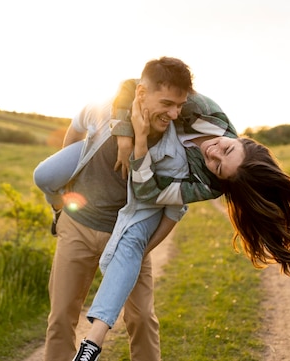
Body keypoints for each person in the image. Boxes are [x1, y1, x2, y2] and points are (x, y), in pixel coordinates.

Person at [33, 56, 193, 361]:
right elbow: (77, 124)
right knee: (60, 318)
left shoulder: (175, 149)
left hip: (128, 239)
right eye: (167, 103)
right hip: (78, 227)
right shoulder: (105, 108)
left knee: (142, 319)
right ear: (142, 93)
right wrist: (69, 174)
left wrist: (145, 246)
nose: (174, 113)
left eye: (179, 105)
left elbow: (175, 208)